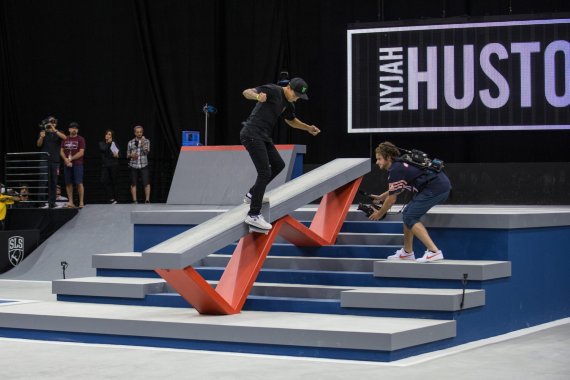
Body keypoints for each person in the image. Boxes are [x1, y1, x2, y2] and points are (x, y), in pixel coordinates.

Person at [240, 77, 320, 230]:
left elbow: (291, 120)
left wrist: (308, 128)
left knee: (278, 164)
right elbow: (246, 92)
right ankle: (253, 215)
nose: (296, 99)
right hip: (251, 133)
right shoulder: (273, 90)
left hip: (263, 136)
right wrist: (257, 96)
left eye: (299, 97)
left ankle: (251, 195)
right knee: (264, 172)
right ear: (288, 87)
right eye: (295, 95)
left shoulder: (288, 104)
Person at [369, 141, 451, 263]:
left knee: (410, 216)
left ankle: (434, 252)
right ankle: (407, 252)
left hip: (436, 188)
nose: (377, 162)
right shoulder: (399, 165)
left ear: (388, 157)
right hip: (438, 186)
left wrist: (379, 214)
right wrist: (381, 197)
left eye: (379, 159)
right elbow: (398, 188)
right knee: (407, 214)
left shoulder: (396, 169)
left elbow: (392, 199)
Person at [36, 116, 66, 208]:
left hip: (55, 161)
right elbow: (38, 145)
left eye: (53, 122)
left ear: (55, 124)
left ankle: (52, 202)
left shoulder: (58, 132)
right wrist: (41, 137)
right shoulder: (43, 132)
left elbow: (65, 138)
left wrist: (54, 129)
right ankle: (40, 202)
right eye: (50, 122)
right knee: (43, 180)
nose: (52, 124)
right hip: (44, 160)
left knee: (54, 182)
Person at [60, 122, 86, 208]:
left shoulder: (81, 139)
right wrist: (65, 159)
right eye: (72, 128)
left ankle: (81, 202)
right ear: (69, 129)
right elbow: (61, 151)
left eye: (76, 128)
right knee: (68, 183)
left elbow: (81, 152)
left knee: (79, 183)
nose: (74, 129)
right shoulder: (65, 138)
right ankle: (71, 202)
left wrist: (70, 159)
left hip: (77, 164)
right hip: (67, 164)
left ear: (77, 130)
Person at [127, 125, 150, 204]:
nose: (139, 133)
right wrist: (131, 155)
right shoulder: (130, 142)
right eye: (137, 132)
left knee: (146, 183)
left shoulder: (146, 141)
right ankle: (134, 200)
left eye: (140, 132)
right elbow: (127, 154)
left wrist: (143, 144)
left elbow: (146, 152)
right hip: (133, 165)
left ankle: (147, 200)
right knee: (133, 183)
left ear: (142, 132)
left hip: (143, 165)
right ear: (135, 133)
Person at [99, 129, 120, 204]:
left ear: (112, 136)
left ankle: (115, 199)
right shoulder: (101, 143)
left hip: (113, 165)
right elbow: (103, 149)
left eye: (109, 134)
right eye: (107, 134)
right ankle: (110, 198)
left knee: (114, 182)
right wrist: (109, 143)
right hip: (105, 165)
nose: (108, 135)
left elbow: (117, 155)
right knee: (104, 180)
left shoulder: (114, 144)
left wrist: (116, 154)